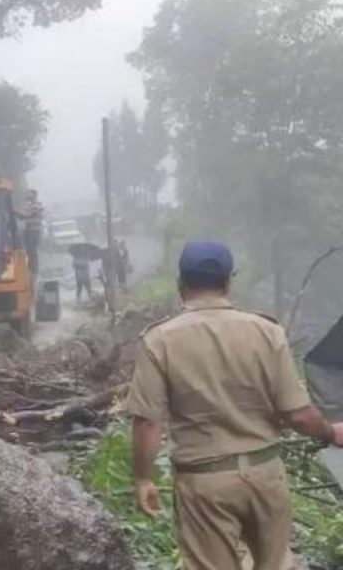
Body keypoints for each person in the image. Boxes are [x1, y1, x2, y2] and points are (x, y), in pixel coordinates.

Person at [127, 240, 343, 570]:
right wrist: (330, 433)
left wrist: (143, 479)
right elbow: (297, 414)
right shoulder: (267, 332)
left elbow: (147, 423)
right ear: (229, 281)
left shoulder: (160, 340)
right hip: (265, 474)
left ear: (181, 284)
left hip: (204, 483)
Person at [16, 189, 45, 275]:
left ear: (35, 196)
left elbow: (27, 215)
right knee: (28, 249)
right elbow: (22, 217)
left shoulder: (38, 205)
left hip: (34, 231)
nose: (28, 196)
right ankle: (30, 266)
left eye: (30, 195)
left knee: (32, 249)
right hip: (28, 230)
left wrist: (15, 212)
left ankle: (34, 268)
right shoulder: (28, 206)